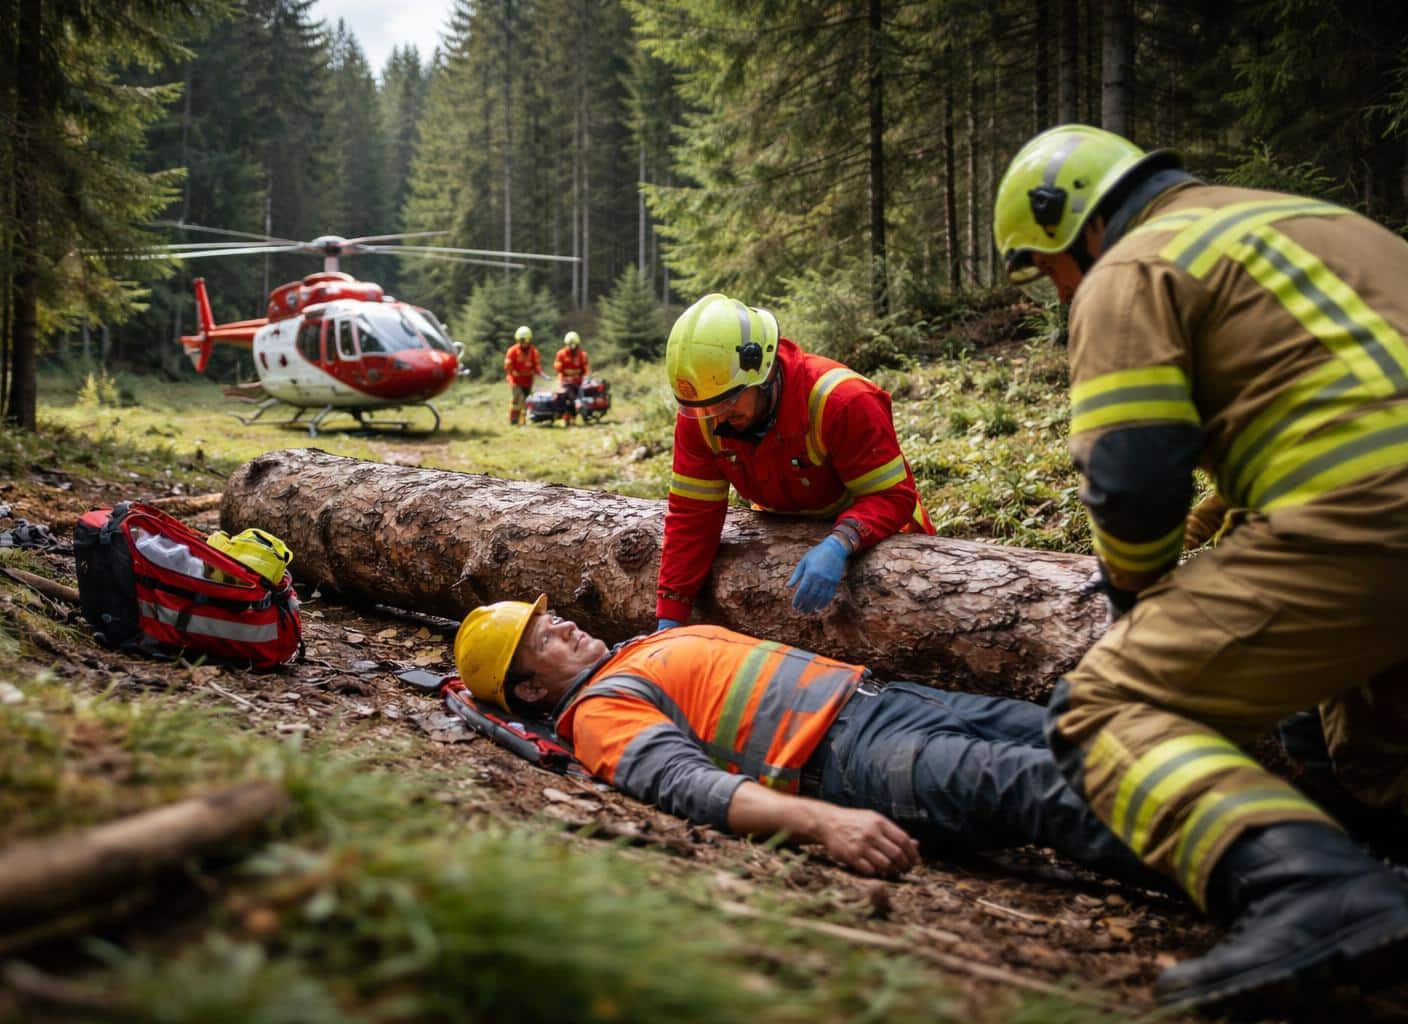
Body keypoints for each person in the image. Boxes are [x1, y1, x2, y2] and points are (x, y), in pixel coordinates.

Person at [993, 123, 1408, 1014]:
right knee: (1376, 751)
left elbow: (1134, 477)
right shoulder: (1324, 223)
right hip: (1370, 518)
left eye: (1046, 269)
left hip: (1371, 521)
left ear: (1076, 228)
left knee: (1105, 707)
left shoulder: (1134, 267)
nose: (1057, 292)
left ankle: (1316, 894)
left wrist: (1137, 600)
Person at [454, 595, 1169, 890]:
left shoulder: (633, 651)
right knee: (1048, 787)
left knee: (1080, 735)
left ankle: (1255, 806)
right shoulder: (599, 712)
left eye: (549, 619)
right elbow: (687, 787)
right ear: (529, 694)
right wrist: (823, 823)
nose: (563, 627)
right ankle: (1253, 866)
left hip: (891, 704)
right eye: (541, 640)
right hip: (859, 765)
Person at [657, 293, 935, 628]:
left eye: (728, 402)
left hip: (891, 538)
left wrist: (841, 542)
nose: (717, 418)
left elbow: (892, 496)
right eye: (702, 408)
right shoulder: (703, 420)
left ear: (762, 369)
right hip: (789, 534)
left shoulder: (842, 401)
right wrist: (670, 616)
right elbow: (692, 517)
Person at [503, 325, 548, 426]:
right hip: (515, 380)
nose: (525, 343)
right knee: (518, 399)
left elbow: (536, 365)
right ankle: (514, 419)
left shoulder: (533, 352)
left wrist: (541, 373)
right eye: (523, 340)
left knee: (527, 401)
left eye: (527, 340)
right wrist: (513, 372)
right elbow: (508, 365)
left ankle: (524, 421)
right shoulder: (512, 351)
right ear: (518, 340)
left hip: (528, 380)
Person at [553, 330, 589, 427]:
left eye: (574, 345)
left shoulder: (582, 355)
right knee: (568, 399)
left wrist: (577, 373)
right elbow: (557, 366)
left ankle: (574, 418)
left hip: (578, 383)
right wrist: (565, 370)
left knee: (575, 400)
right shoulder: (561, 354)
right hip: (565, 383)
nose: (572, 347)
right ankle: (566, 419)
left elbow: (585, 369)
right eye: (570, 345)